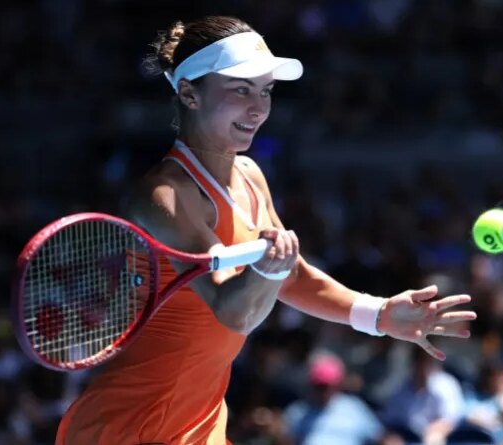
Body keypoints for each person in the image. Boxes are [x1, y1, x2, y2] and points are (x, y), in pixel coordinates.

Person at [55, 16, 476, 445]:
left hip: (199, 421)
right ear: (188, 94)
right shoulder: (165, 196)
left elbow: (291, 275)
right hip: (126, 427)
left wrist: (378, 314)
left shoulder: (250, 176)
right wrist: (268, 271)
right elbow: (233, 310)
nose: (258, 108)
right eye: (240, 89)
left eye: (265, 91)